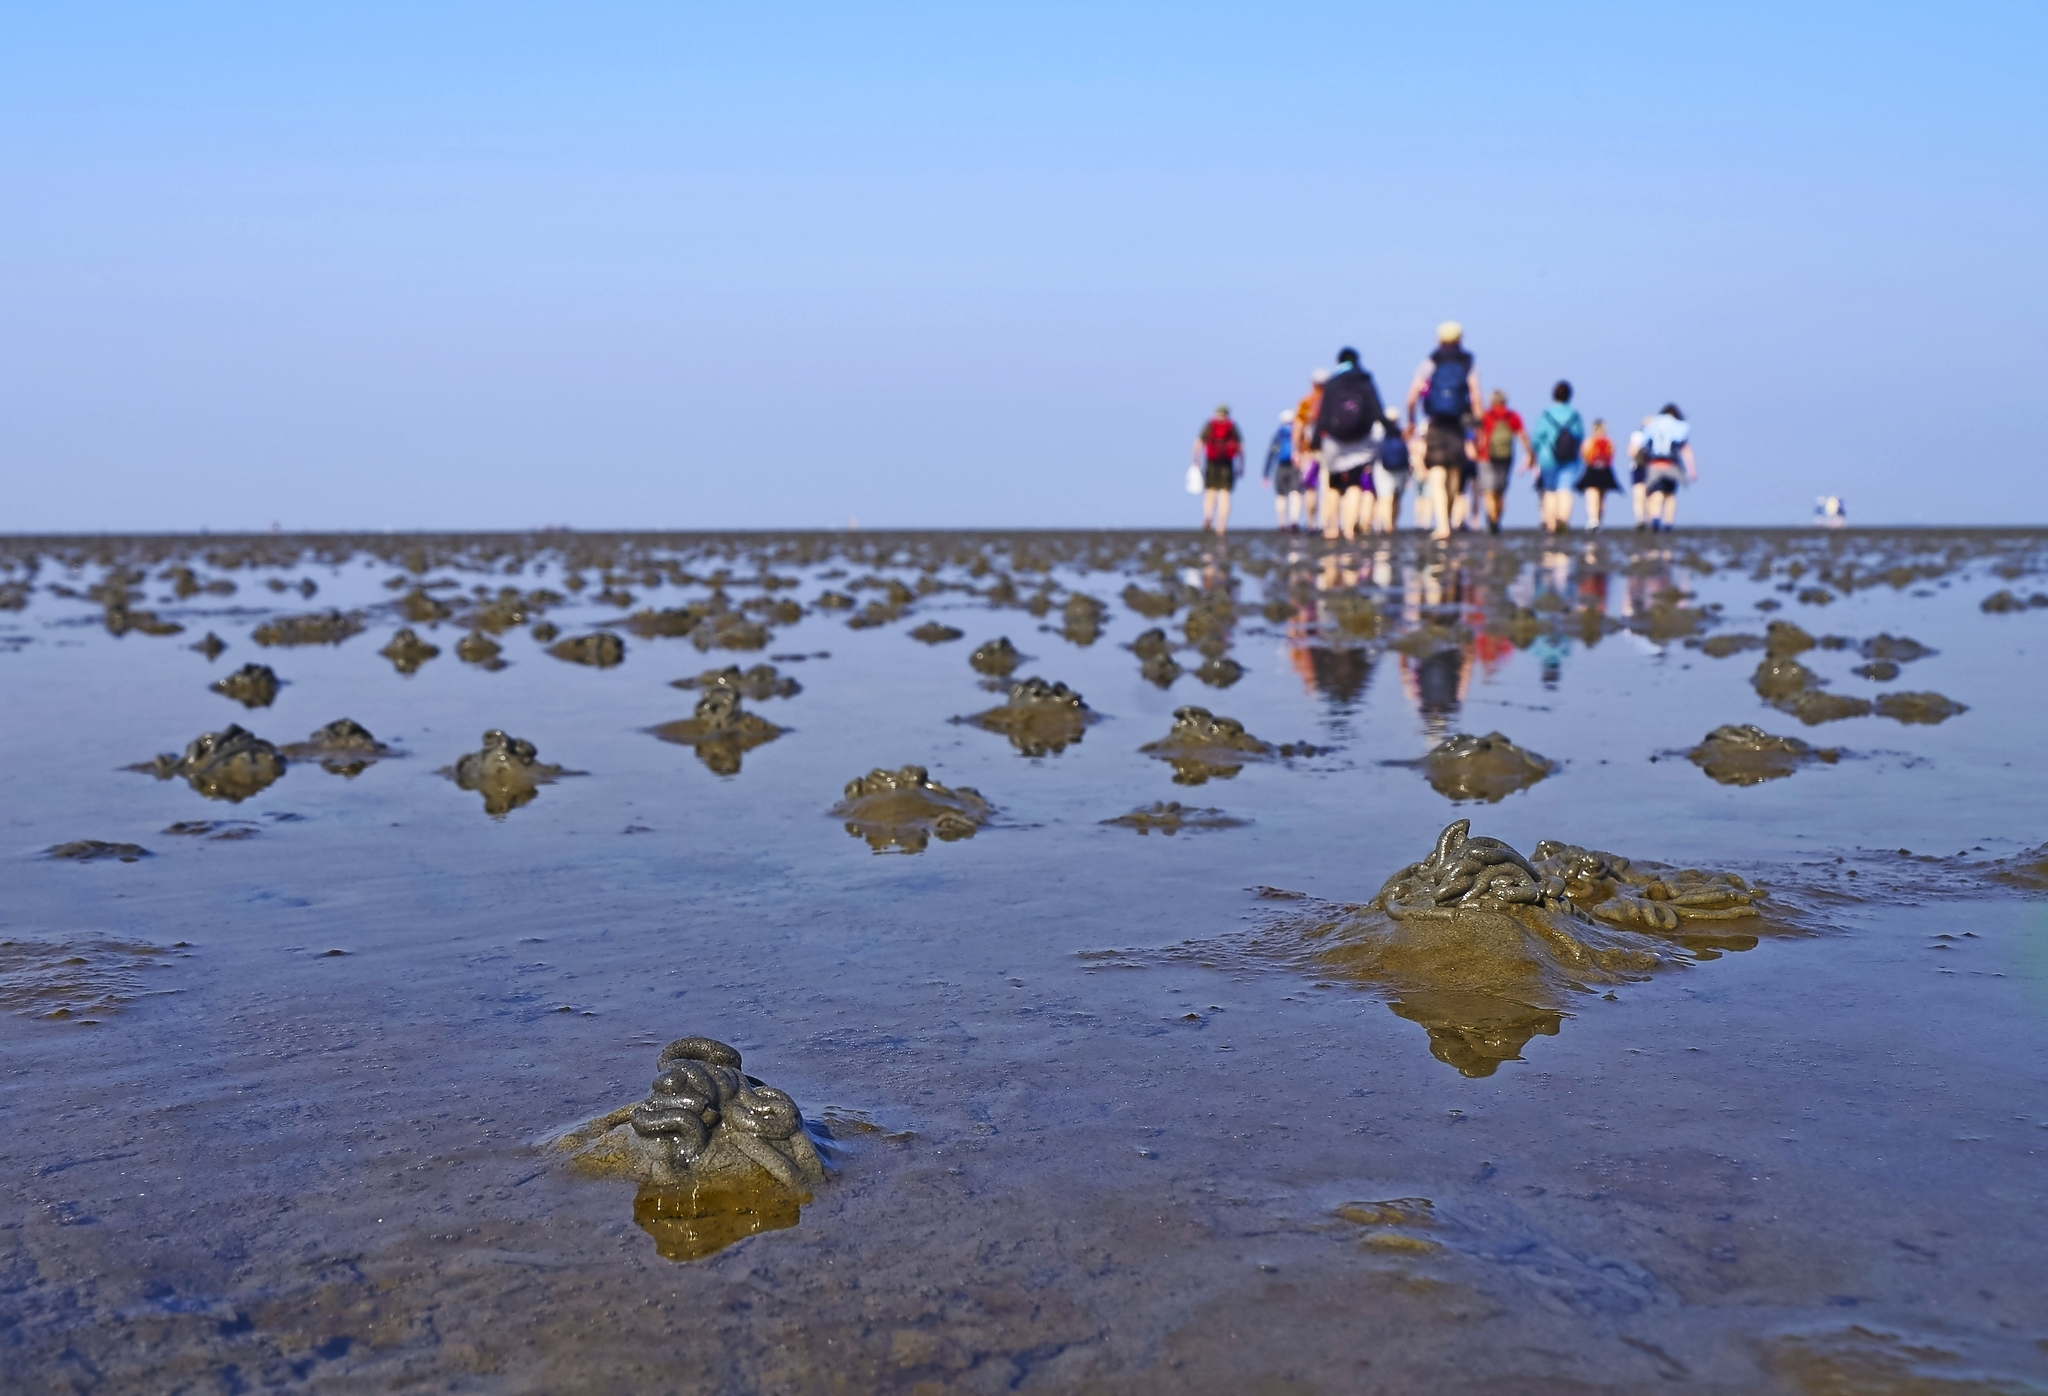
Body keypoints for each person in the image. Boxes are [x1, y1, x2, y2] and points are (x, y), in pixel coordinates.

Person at [1406, 322, 1484, 541]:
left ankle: (1442, 526)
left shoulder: (1430, 361)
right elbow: (1476, 397)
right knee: (1454, 474)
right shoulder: (1468, 362)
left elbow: (1411, 397)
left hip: (1436, 423)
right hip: (1458, 425)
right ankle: (1447, 520)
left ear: (1438, 339)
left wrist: (1411, 420)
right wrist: (1478, 427)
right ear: (1461, 339)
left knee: (1437, 474)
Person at [1312, 347, 1387, 542]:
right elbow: (1377, 410)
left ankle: (1332, 528)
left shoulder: (1331, 383)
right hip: (1360, 437)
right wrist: (1393, 431)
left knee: (1334, 484)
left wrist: (1316, 440)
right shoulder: (1365, 380)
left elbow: (1323, 414)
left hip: (1334, 438)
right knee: (1354, 483)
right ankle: (1349, 530)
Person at [1527, 380, 1587, 533]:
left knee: (1549, 491)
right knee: (1565, 489)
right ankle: (1563, 518)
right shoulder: (1574, 415)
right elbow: (1580, 436)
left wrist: (1532, 455)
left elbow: (1536, 439)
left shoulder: (1545, 415)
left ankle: (1551, 525)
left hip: (1548, 458)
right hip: (1570, 457)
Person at [1474, 389, 1532, 534]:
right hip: (1506, 457)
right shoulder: (1512, 416)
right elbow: (1522, 435)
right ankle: (1496, 518)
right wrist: (1529, 452)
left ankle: (1492, 518)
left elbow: (1478, 436)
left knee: (1489, 490)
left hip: (1486, 456)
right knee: (1500, 490)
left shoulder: (1486, 416)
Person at [1639, 403, 1697, 531]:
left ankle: (1655, 519)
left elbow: (1642, 445)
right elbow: (1685, 449)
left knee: (1655, 493)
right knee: (1670, 495)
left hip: (1654, 464)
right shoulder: (1678, 427)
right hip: (1672, 465)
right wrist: (1692, 470)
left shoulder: (1653, 424)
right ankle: (1668, 523)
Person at [1192, 405, 1242, 536]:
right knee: (1225, 494)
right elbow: (1240, 447)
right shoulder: (1232, 426)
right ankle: (1221, 526)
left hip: (1211, 462)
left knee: (1210, 492)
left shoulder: (1209, 425)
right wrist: (1241, 464)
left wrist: (1195, 460)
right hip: (1227, 463)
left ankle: (1208, 515)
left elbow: (1198, 443)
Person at [1292, 369, 1329, 531]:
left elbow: (1298, 427)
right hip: (1330, 448)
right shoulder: (1333, 401)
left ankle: (1311, 523)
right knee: (1329, 486)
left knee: (1310, 486)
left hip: (1309, 449)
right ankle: (1327, 522)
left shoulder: (1305, 402)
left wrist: (1296, 449)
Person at [1263, 410, 1304, 531]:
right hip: (1295, 465)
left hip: (1281, 466)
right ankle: (1294, 521)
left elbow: (1271, 453)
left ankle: (1282, 523)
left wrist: (1266, 473)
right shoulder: (1298, 432)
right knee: (1295, 493)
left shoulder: (1278, 434)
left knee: (1281, 495)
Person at [1371, 414, 1412, 533]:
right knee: (1396, 497)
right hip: (1400, 468)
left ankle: (1388, 525)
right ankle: (1392, 524)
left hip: (1383, 467)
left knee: (1385, 497)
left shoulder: (1378, 434)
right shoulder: (1401, 434)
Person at [1577, 419, 1619, 528]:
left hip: (1592, 469)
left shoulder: (1589, 441)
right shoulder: (1609, 442)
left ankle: (1593, 519)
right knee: (1602, 496)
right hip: (1605, 470)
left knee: (1591, 494)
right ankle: (1599, 520)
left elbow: (1584, 455)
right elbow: (1611, 456)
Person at [1627, 417, 1652, 528]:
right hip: (1638, 466)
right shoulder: (1637, 436)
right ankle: (1640, 518)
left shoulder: (1655, 436)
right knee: (1638, 494)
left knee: (1650, 494)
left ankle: (1648, 518)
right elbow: (1631, 452)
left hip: (1651, 468)